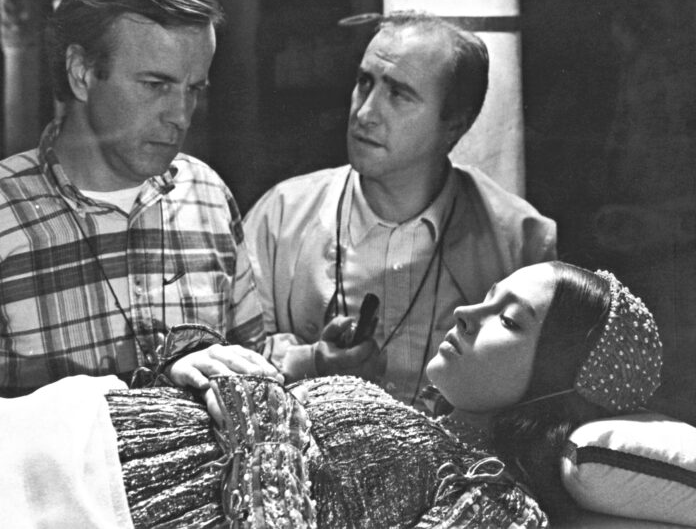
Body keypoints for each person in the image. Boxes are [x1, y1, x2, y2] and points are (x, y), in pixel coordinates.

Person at [0, 261, 662, 528]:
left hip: (91, 500)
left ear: (553, 384)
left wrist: (264, 422)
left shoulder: (497, 505)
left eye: (509, 321)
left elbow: (268, 453)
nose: (467, 314)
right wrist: (191, 359)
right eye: (488, 295)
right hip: (71, 429)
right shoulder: (420, 420)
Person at [243, 11, 557, 407]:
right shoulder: (280, 216)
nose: (364, 113)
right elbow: (230, 354)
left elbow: (537, 393)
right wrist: (311, 361)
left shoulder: (520, 240)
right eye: (364, 83)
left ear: (454, 125)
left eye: (398, 94)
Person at [0, 0, 280, 398]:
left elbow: (254, 372)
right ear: (81, 73)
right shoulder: (5, 215)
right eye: (155, 85)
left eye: (193, 89)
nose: (180, 115)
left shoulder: (207, 194)